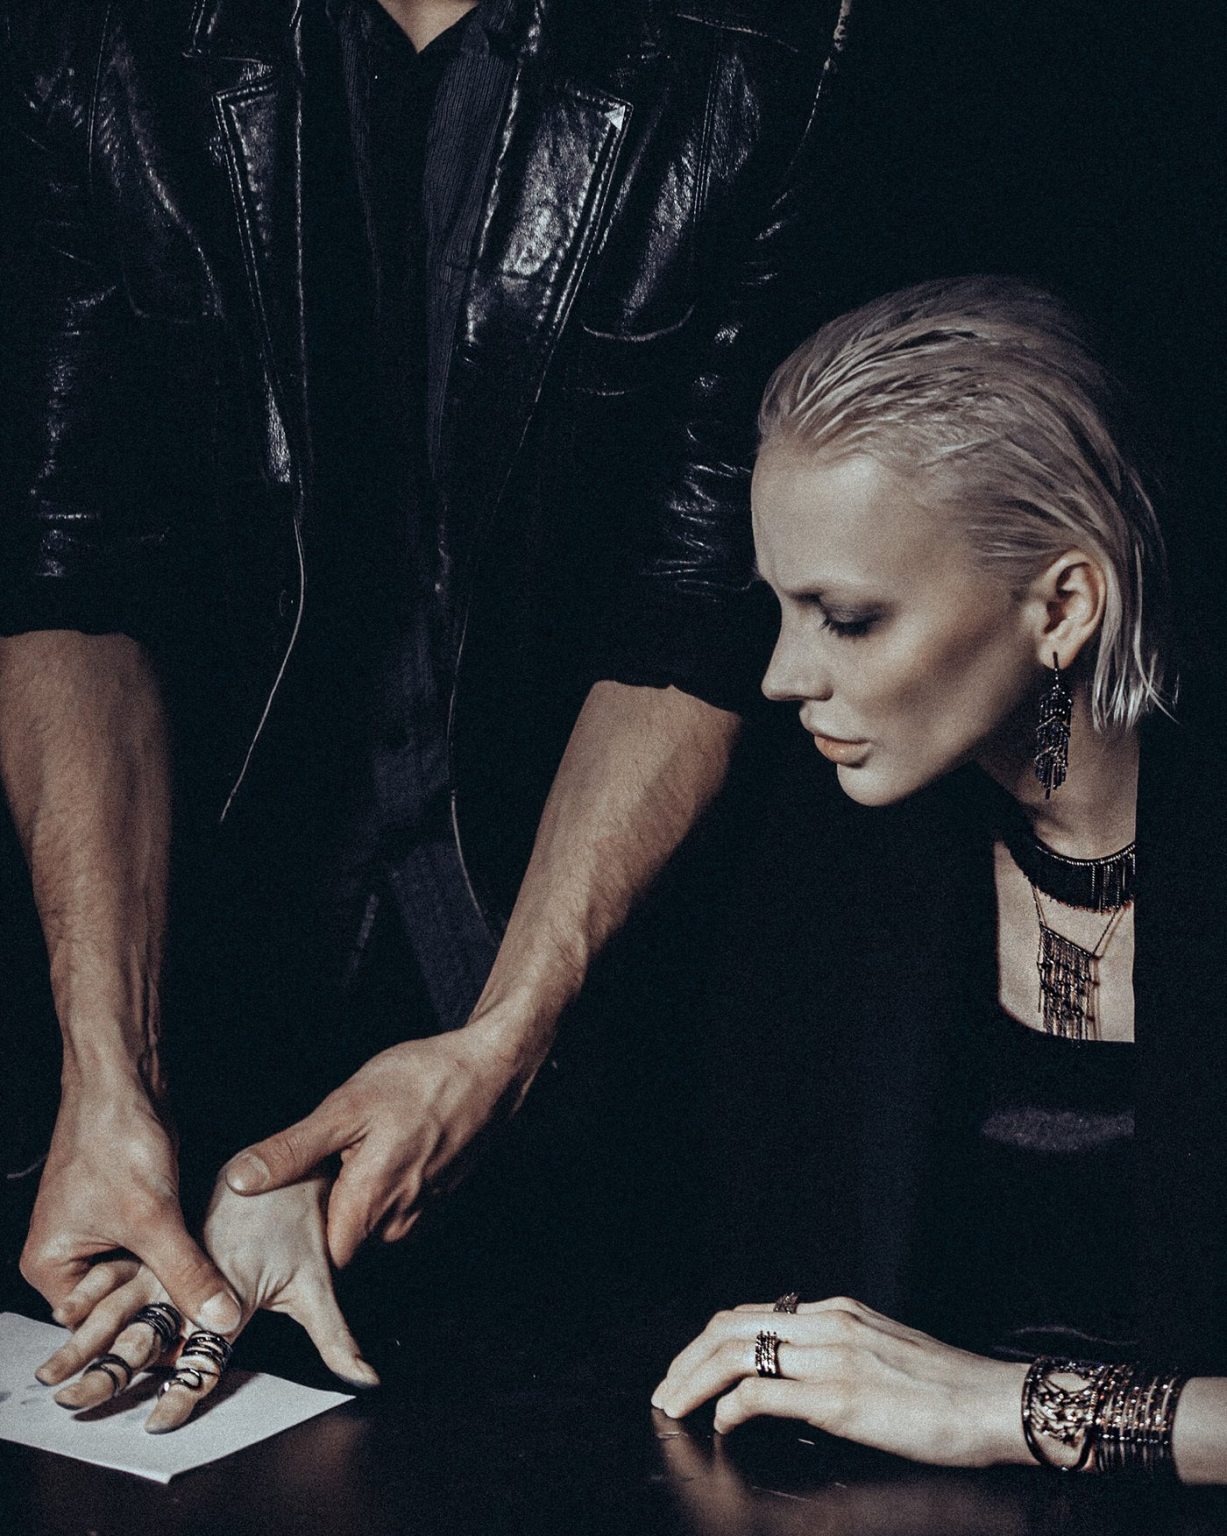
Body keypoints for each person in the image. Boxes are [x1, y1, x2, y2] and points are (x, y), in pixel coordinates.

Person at [0, 0, 851, 1420]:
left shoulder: (775, 44)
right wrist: (108, 1074)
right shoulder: (84, 33)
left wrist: (502, 1040)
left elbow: (695, 601)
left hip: (615, 994)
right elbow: (74, 561)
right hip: (189, 949)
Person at [652, 276, 1227, 1482]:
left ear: (1062, 605)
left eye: (847, 618)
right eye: (779, 609)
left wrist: (1010, 1409)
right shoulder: (837, 872)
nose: (780, 677)